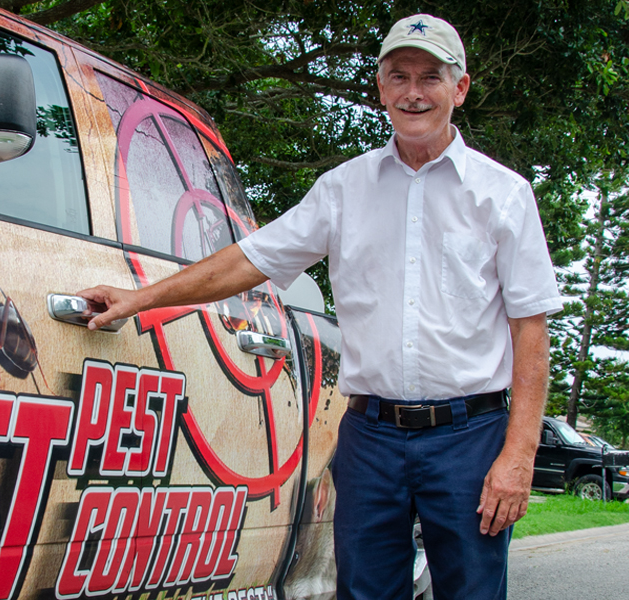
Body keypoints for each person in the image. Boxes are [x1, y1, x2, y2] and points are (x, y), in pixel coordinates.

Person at [77, 13, 562, 600]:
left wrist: (518, 456)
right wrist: (141, 298)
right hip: (371, 438)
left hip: (469, 438)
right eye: (398, 76)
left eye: (431, 77)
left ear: (459, 88)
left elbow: (529, 333)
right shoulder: (343, 190)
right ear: (380, 88)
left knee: (472, 592)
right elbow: (246, 261)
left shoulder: (503, 194)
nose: (414, 92)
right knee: (361, 590)